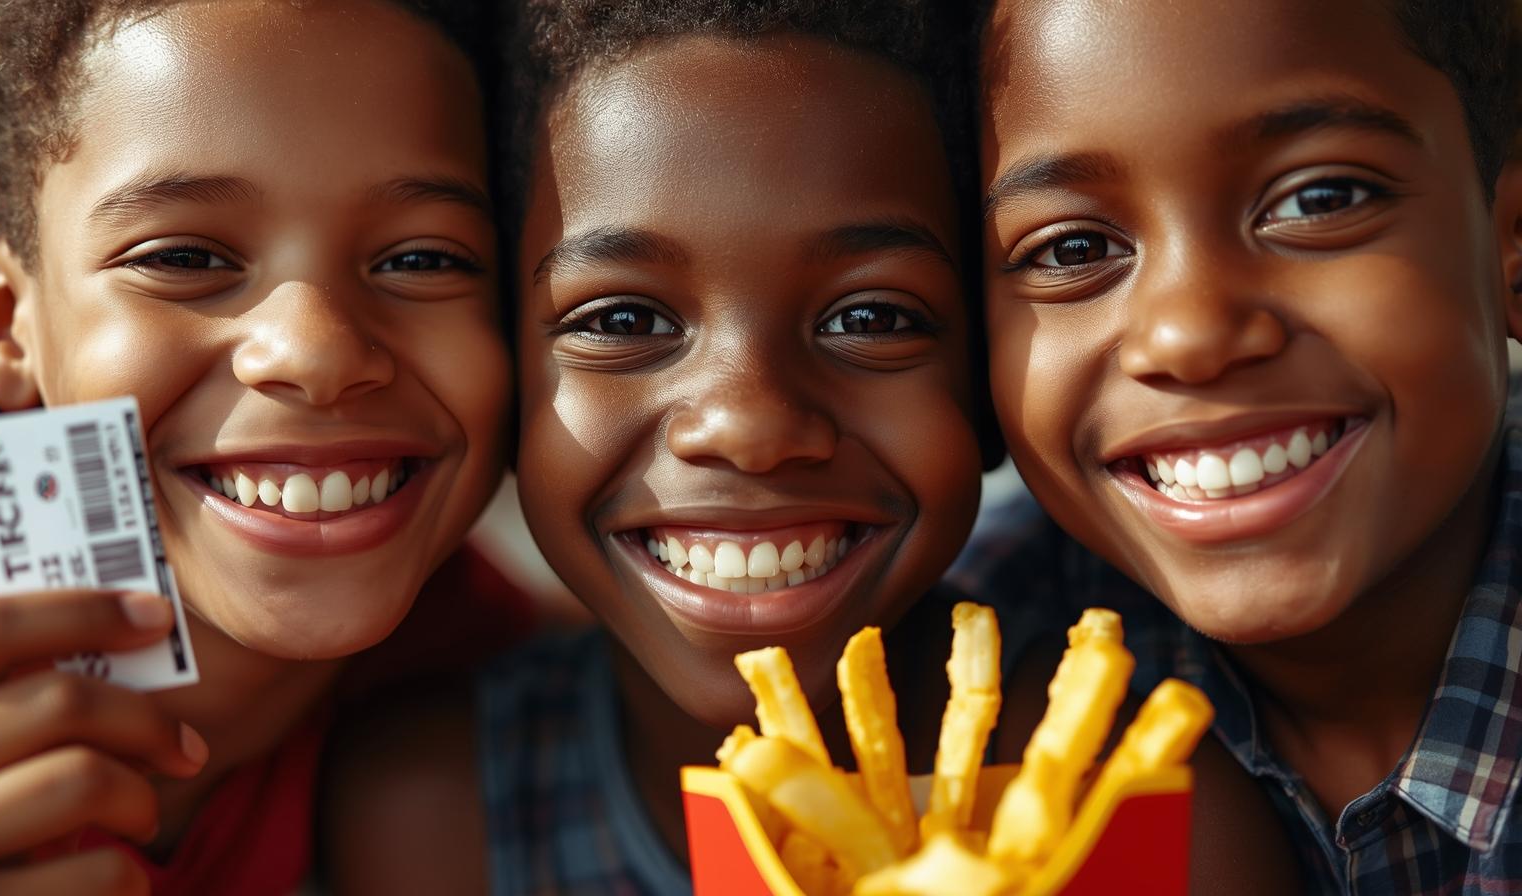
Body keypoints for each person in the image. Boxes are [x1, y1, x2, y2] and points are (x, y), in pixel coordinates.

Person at [324, 2, 1298, 892]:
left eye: (870, 316)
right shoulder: (434, 810)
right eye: (622, 318)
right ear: (506, 376)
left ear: (988, 379)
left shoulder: (1138, 797)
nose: (750, 426)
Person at [0, 1, 517, 892]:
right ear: (6, 322)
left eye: (423, 260)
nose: (315, 355)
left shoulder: (473, 664)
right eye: (183, 257)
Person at [976, 0, 1522, 890]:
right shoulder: (970, 686)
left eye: (1320, 199)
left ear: (1512, 244)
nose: (1190, 333)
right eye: (1073, 246)